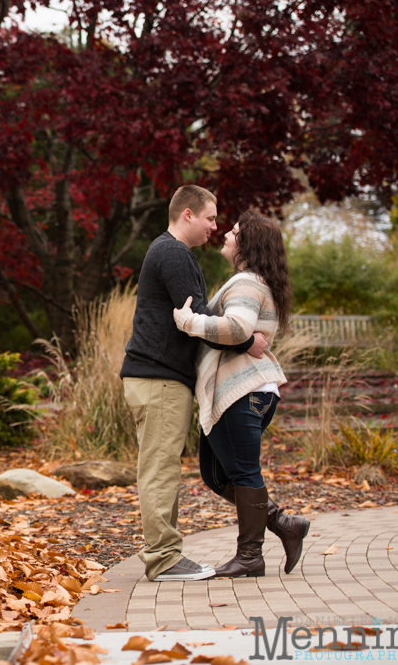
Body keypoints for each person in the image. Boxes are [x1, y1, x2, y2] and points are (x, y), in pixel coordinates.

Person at [121, 185, 268, 582]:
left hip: (159, 378)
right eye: (210, 218)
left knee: (162, 466)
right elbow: (199, 318)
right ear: (188, 214)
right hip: (158, 377)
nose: (215, 227)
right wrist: (248, 339)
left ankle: (165, 554)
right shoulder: (173, 253)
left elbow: (195, 318)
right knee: (159, 469)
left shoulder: (171, 252)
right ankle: (164, 558)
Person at [173, 210, 310, 578]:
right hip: (245, 392)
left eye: (233, 232)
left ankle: (250, 556)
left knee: (244, 473)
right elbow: (244, 333)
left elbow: (236, 328)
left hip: (243, 392)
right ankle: (283, 523)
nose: (226, 235)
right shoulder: (252, 281)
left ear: (248, 243)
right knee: (216, 475)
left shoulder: (247, 282)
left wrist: (189, 323)